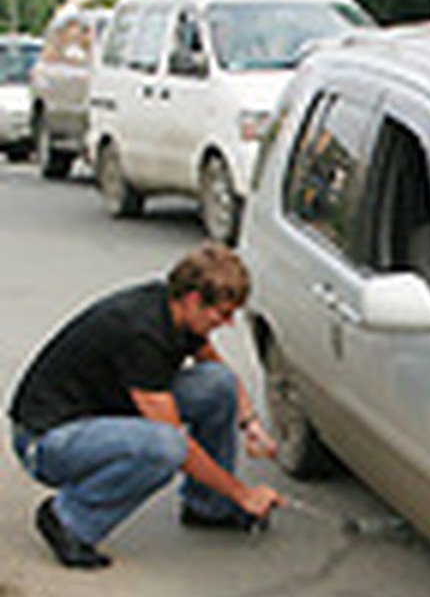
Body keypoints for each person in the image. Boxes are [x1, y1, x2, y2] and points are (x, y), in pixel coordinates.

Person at [7, 244, 285, 569]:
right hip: (47, 442)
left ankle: (209, 506)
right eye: (223, 314)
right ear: (194, 299)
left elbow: (218, 369)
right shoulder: (142, 334)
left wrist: (249, 424)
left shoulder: (177, 311)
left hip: (106, 415)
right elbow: (181, 447)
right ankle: (69, 519)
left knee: (217, 384)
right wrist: (244, 494)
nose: (228, 323)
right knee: (164, 447)